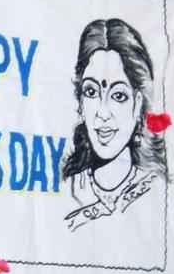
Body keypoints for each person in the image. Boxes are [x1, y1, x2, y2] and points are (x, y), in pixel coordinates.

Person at [62, 18, 167, 232]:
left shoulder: (156, 191)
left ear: (138, 104)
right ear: (80, 102)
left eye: (118, 95)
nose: (102, 113)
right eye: (91, 92)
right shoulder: (68, 191)